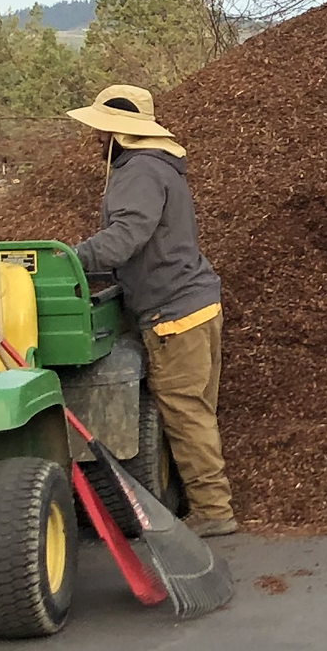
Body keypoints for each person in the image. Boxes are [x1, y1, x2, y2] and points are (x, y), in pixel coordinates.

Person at [66, 82, 238, 538]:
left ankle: (213, 511)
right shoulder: (159, 165)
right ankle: (201, 501)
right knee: (195, 409)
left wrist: (72, 260)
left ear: (119, 132)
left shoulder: (139, 171)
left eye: (101, 130)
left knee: (185, 410)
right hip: (194, 302)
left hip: (174, 312)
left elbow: (127, 236)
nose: (95, 138)